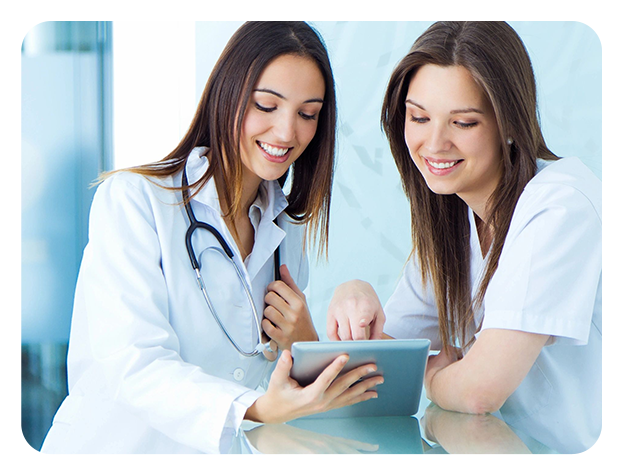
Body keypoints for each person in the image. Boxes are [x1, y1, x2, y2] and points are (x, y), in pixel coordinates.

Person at [40, 21, 383, 459]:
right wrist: (255, 408)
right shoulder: (135, 201)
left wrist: (303, 340)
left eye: (307, 114)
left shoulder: (285, 231)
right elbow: (133, 363)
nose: (286, 133)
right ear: (228, 93)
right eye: (266, 105)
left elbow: (276, 388)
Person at [327, 21, 603, 454]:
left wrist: (435, 380)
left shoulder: (560, 203)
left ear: (510, 124)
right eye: (418, 117)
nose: (434, 143)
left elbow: (479, 391)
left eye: (463, 122)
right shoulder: (453, 221)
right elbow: (389, 361)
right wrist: (353, 292)